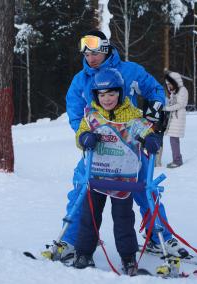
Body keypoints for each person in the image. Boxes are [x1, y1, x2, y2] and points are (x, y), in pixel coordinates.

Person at [51, 30, 188, 262]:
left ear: (105, 49)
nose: (90, 58)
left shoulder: (130, 71)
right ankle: (71, 240)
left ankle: (159, 237)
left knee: (146, 188)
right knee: (82, 188)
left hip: (130, 146)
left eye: (95, 52)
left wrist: (151, 120)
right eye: (86, 54)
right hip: (99, 149)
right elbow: (75, 113)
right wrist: (85, 136)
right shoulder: (80, 80)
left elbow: (155, 91)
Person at [72, 68, 162, 275]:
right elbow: (80, 134)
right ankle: (83, 253)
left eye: (111, 94)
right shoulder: (92, 117)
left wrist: (150, 138)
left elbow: (144, 131)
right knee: (90, 216)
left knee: (123, 219)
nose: (107, 99)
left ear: (120, 93)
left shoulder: (132, 117)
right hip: (96, 177)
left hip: (122, 178)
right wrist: (85, 138)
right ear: (96, 96)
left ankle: (128, 257)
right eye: (102, 95)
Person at [164, 71, 189, 168]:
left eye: (170, 83)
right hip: (174, 118)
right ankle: (176, 159)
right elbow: (172, 103)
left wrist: (167, 108)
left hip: (178, 118)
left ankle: (177, 160)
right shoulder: (174, 92)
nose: (169, 86)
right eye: (167, 84)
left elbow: (180, 104)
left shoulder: (182, 90)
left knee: (174, 140)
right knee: (173, 139)